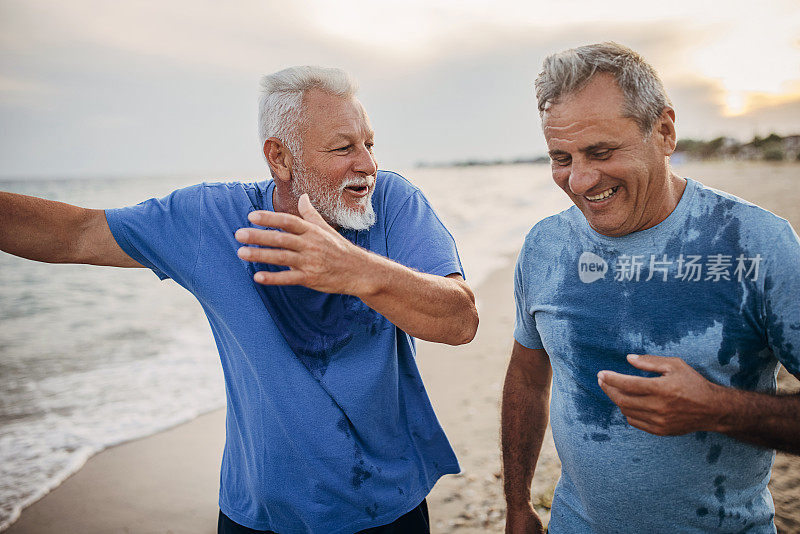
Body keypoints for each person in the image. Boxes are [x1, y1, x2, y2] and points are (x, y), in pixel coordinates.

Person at [0, 66, 479, 533]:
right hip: (261, 515)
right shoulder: (212, 219)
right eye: (343, 148)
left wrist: (355, 270)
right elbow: (76, 234)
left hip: (388, 508)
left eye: (369, 144)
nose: (368, 165)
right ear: (280, 158)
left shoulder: (393, 203)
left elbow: (460, 321)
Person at [501, 42, 800, 533]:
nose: (578, 180)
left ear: (663, 132)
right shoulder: (545, 246)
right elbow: (527, 378)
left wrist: (717, 408)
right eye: (560, 157)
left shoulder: (756, 244)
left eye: (601, 152)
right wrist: (517, 504)